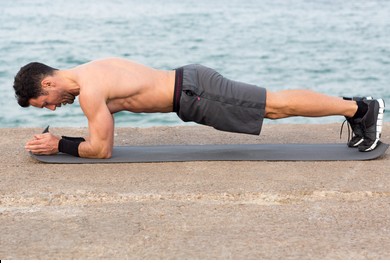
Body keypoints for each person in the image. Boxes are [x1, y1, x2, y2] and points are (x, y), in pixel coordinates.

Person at [13, 57, 385, 159]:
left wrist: (58, 144)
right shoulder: (92, 69)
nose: (51, 108)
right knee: (275, 106)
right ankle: (355, 110)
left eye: (44, 102)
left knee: (275, 105)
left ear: (48, 83)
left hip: (195, 92)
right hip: (191, 85)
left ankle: (359, 110)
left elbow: (102, 150)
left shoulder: (92, 90)